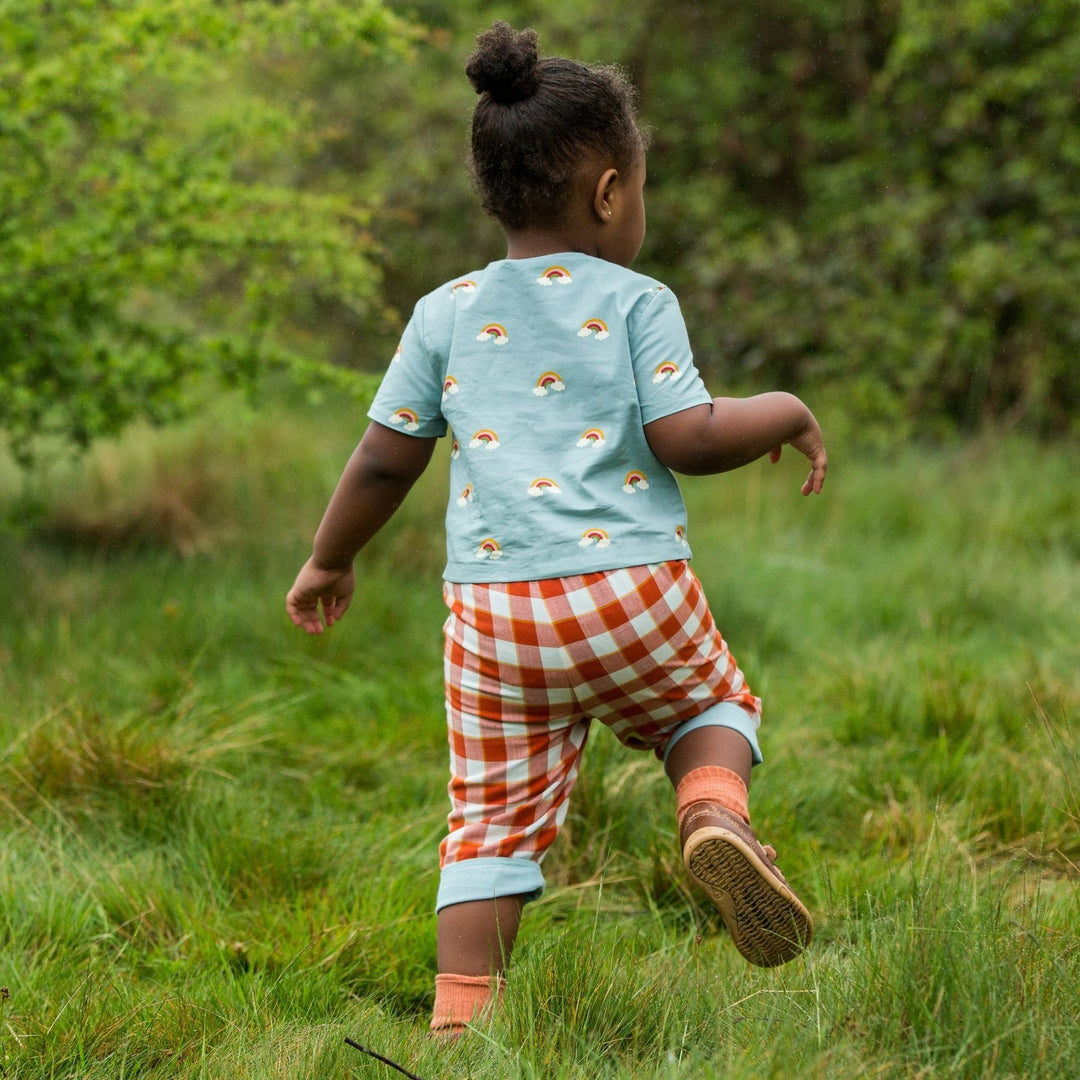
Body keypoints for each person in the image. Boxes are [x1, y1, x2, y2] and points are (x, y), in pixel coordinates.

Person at [286, 20, 828, 1040]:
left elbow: (383, 458)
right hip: (631, 590)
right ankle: (712, 811)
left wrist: (329, 558)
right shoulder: (635, 301)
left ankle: (458, 1028)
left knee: (488, 819)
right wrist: (788, 410)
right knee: (706, 704)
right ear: (611, 190)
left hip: (494, 621)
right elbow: (689, 434)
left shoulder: (442, 313)